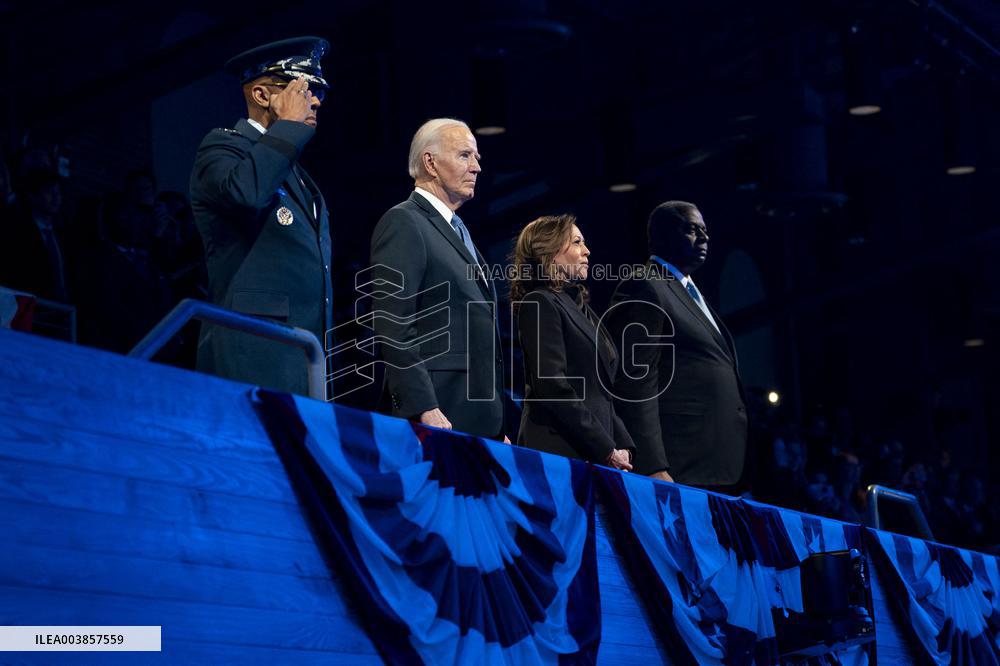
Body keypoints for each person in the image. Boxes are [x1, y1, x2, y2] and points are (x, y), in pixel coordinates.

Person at [190, 36, 333, 396]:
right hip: (252, 353)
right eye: (304, 89)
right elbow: (246, 193)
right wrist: (288, 128)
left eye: (319, 91)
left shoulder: (293, 166)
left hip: (305, 356)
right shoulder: (223, 147)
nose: (315, 100)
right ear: (263, 96)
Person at [369, 118, 505, 440]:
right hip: (437, 414)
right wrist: (423, 405)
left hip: (476, 418)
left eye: (477, 158)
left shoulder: (458, 231)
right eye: (464, 156)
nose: (476, 168)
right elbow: (393, 322)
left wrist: (497, 423)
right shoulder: (404, 221)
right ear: (430, 162)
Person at [605, 201, 747, 490]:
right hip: (679, 465)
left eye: (705, 231)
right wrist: (652, 464)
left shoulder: (692, 293)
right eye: (692, 230)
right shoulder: (645, 286)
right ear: (664, 234)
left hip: (718, 465)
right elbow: (635, 383)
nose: (704, 238)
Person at [511, 215, 635, 470]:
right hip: (559, 452)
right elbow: (552, 387)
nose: (587, 251)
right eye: (577, 242)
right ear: (551, 253)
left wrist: (623, 445)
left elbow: (601, 393)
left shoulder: (582, 309)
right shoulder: (540, 302)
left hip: (595, 453)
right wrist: (606, 448)